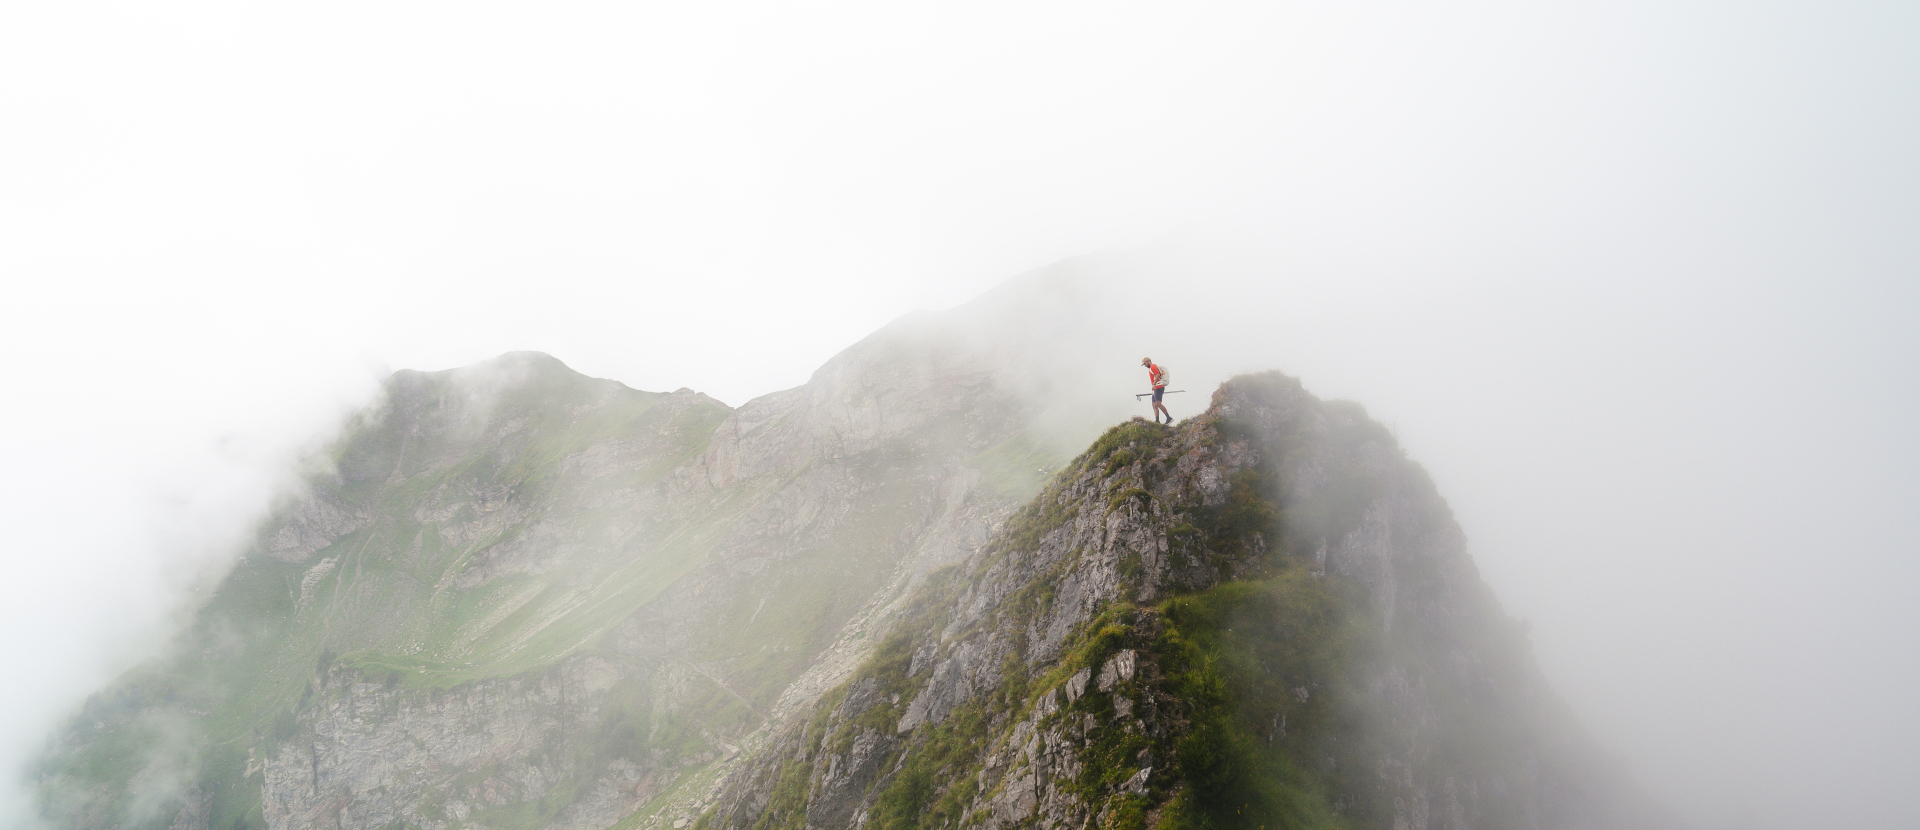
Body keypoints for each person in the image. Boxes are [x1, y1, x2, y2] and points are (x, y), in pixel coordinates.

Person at [1141, 357, 1172, 424]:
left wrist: (1154, 384)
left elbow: (1157, 375)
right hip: (1156, 388)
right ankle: (1157, 421)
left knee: (1158, 403)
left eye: (1145, 363)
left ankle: (1169, 418)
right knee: (1154, 404)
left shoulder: (1153, 367)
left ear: (1148, 361)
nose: (1145, 365)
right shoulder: (1152, 367)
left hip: (1158, 387)